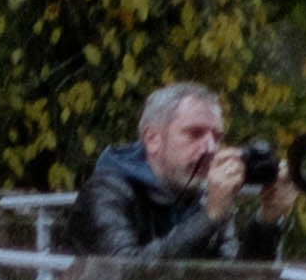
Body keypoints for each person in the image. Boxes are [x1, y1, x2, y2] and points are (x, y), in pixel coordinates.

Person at [69, 82, 287, 265]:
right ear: (153, 139)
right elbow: (126, 276)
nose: (211, 148)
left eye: (217, 137)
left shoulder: (205, 196)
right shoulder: (105, 192)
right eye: (195, 134)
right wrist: (209, 217)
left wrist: (267, 220)